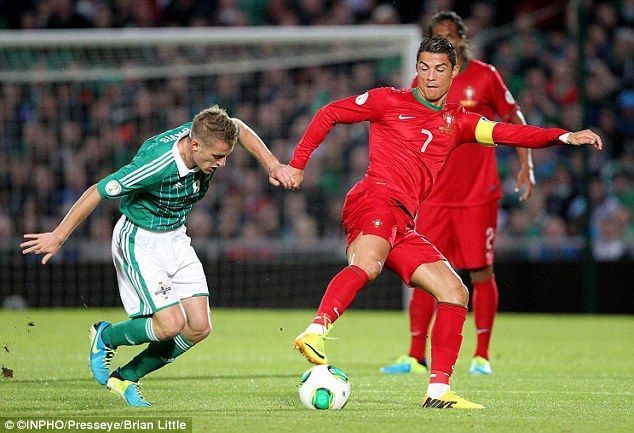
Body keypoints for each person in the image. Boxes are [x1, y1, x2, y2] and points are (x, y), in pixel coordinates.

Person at [288, 37, 602, 409]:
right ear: (415, 69)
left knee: (455, 292)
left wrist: (562, 135)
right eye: (424, 68)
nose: (431, 76)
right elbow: (329, 113)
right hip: (375, 198)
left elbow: (507, 132)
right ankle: (316, 329)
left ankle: (438, 391)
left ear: (454, 73)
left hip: (403, 220)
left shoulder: (458, 122)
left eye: (439, 69)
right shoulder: (388, 100)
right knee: (367, 265)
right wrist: (298, 163)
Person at [20, 106, 295, 407]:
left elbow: (239, 127)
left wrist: (272, 165)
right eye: (217, 156)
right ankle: (106, 337)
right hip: (140, 240)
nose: (223, 163)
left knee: (199, 327)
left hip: (176, 237)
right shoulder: (156, 164)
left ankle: (125, 377)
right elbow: (98, 191)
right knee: (170, 324)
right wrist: (59, 235)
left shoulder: (206, 134)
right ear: (195, 145)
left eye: (225, 155)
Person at [381, 11, 534, 377]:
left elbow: (514, 119)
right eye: (438, 37)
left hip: (476, 194)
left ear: (462, 38)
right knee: (423, 271)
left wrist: (525, 166)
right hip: (432, 193)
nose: (445, 42)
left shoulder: (485, 76)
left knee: (480, 271)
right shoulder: (424, 80)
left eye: (450, 36)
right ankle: (415, 356)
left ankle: (481, 355)